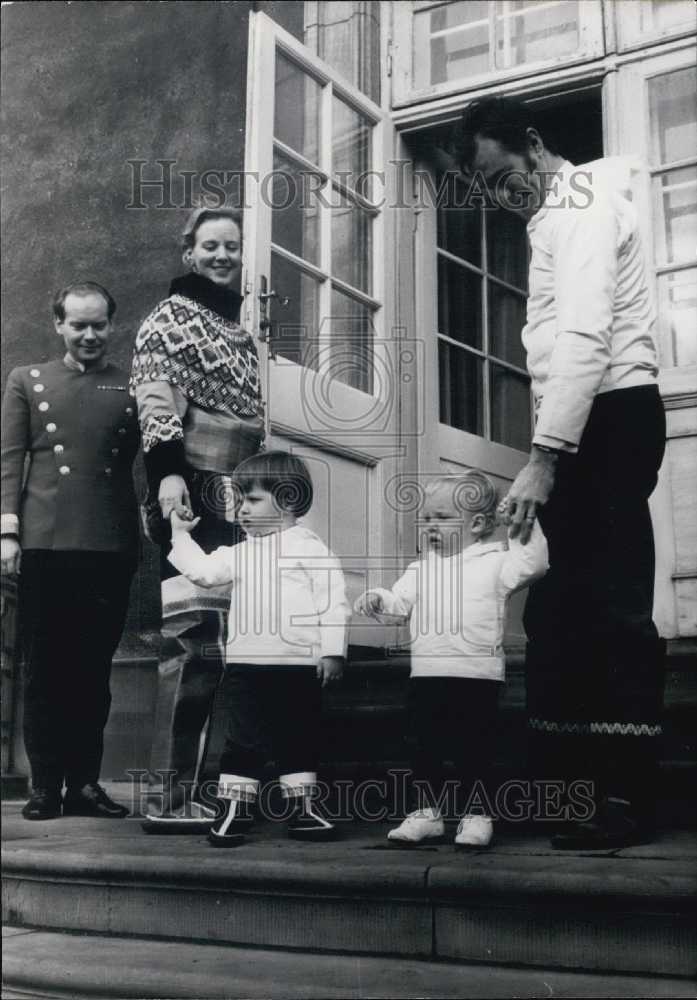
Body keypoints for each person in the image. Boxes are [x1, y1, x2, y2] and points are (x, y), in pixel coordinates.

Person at [458, 96, 666, 848]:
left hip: (608, 417)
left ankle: (620, 799)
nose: (494, 196)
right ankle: (565, 788)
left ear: (534, 145)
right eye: (482, 188)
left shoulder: (579, 206)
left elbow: (583, 333)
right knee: (559, 608)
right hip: (585, 422)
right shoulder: (553, 217)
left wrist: (543, 458)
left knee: (607, 604)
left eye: (498, 175)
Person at [130, 206, 265, 827]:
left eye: (231, 247)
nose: (221, 256)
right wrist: (168, 479)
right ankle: (166, 797)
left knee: (231, 647)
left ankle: (210, 790)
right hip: (188, 492)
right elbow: (156, 402)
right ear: (189, 253)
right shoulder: (167, 319)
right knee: (192, 645)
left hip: (235, 497)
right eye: (209, 246)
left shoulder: (238, 329)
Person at [1, 282, 140, 820]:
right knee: (44, 671)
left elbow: (149, 459)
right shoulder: (27, 380)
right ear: (58, 324)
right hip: (46, 544)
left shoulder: (132, 387)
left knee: (92, 672)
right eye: (78, 324)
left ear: (112, 325)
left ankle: (84, 785)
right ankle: (44, 786)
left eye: (99, 325)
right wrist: (8, 532)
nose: (89, 335)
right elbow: (11, 459)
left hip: (108, 544)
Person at [355, 471, 548, 848]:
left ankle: (477, 815)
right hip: (427, 675)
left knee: (474, 749)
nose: (429, 526)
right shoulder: (420, 569)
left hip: (477, 677)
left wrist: (523, 523)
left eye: (441, 518)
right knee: (423, 746)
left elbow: (535, 564)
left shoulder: (496, 563)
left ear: (476, 524)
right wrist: (379, 597)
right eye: (425, 518)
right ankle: (428, 814)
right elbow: (399, 605)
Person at [166, 450, 350, 846]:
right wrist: (180, 535)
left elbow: (333, 602)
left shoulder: (313, 550)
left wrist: (332, 651)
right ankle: (234, 809)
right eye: (238, 501)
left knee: (298, 737)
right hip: (247, 666)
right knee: (242, 739)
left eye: (251, 500)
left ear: (287, 501)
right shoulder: (240, 553)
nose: (241, 511)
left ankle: (304, 810)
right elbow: (203, 572)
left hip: (298, 664)